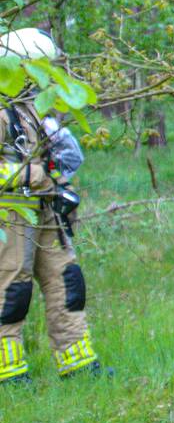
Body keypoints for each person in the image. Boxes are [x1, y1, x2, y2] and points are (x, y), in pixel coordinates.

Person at [0, 28, 104, 384]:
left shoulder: (33, 108)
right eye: (38, 66)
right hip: (12, 215)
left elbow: (55, 160)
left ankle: (78, 364)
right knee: (12, 290)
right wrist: (33, 174)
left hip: (46, 213)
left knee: (67, 283)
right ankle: (7, 374)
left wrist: (62, 187)